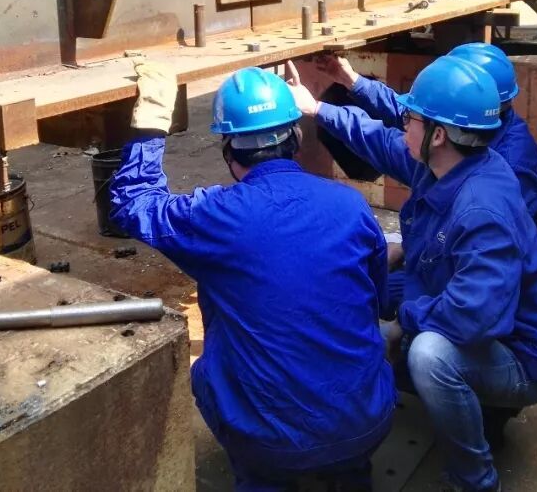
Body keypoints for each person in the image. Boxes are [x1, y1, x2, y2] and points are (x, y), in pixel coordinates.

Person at [286, 57, 537, 492]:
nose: (402, 124)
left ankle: (474, 478)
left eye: (410, 118)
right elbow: (377, 138)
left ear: (438, 135)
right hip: (447, 289)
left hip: (521, 354)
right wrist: (316, 108)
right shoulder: (448, 162)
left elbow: (472, 317)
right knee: (359, 283)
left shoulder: (482, 209)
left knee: (428, 355)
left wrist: (402, 325)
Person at [110, 62, 396, 492]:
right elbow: (378, 298)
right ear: (296, 137)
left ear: (229, 152)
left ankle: (264, 479)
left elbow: (132, 202)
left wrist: (152, 119)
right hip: (365, 425)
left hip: (268, 445)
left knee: (206, 373)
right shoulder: (351, 206)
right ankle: (350, 475)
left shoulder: (214, 217)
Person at [313, 45, 537, 281]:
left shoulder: (502, 175)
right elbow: (405, 122)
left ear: (440, 134)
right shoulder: (465, 142)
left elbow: (480, 284)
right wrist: (349, 83)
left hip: (508, 276)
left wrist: (408, 253)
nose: (406, 125)